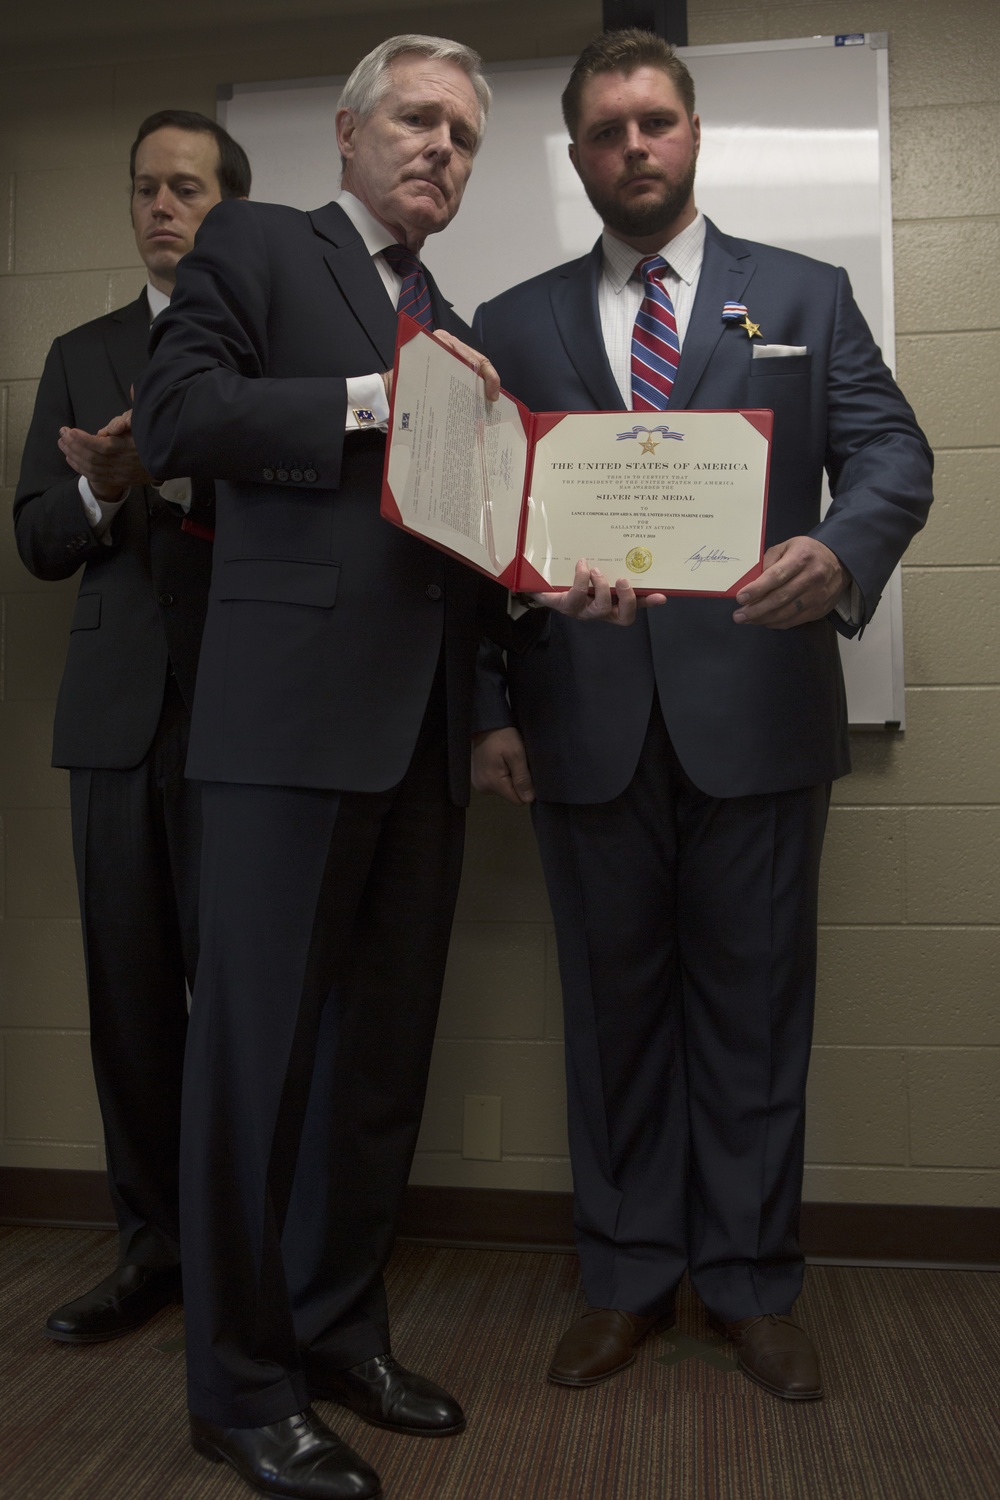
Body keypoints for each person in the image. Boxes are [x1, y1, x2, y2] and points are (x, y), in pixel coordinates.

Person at [133, 35, 642, 1500]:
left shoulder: (453, 317)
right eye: (417, 120)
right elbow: (176, 423)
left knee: (374, 1067)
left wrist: (549, 579)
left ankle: (339, 1330)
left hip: (421, 739)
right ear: (350, 132)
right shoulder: (256, 248)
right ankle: (236, 1390)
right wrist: (372, 399)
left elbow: (462, 544)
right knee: (253, 1068)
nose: (441, 150)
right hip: (283, 734)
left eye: (468, 138)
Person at [472, 29, 933, 1404]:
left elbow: (894, 450)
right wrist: (492, 704)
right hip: (584, 721)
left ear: (693, 133)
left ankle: (746, 1285)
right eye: (607, 130)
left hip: (759, 715)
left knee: (753, 1014)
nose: (635, 149)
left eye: (656, 122)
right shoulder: (514, 322)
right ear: (578, 153)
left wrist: (844, 549)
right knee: (612, 1022)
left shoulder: (800, 293)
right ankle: (623, 1280)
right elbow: (477, 538)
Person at [13, 110, 251, 1346]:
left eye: (189, 190)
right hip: (113, 726)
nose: (164, 208)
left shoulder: (269, 345)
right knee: (130, 1002)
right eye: (146, 190)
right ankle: (148, 1251)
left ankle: (242, 1258)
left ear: (232, 209)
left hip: (243, 723)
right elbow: (38, 541)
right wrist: (104, 488)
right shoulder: (80, 349)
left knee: (246, 1004)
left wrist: (189, 466)